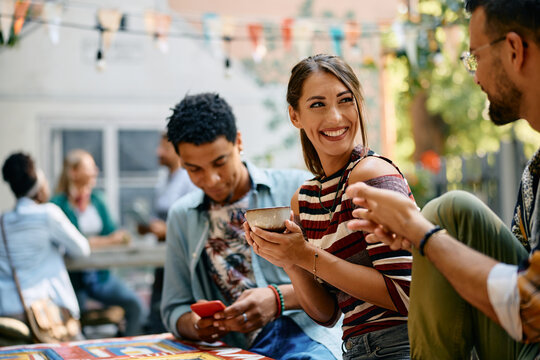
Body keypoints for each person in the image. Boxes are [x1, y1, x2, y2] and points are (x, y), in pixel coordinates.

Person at [345, 0, 540, 359]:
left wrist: (422, 233)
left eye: (475, 57)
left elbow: (530, 311)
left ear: (514, 50)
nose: (475, 75)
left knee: (442, 216)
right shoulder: (535, 171)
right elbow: (511, 275)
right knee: (453, 212)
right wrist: (418, 240)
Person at [244, 54, 413, 360]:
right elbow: (327, 313)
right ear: (295, 116)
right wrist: (289, 260)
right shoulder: (304, 199)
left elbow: (407, 294)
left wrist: (305, 255)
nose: (336, 117)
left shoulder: (371, 175)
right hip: (354, 350)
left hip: (404, 345)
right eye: (318, 104)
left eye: (345, 100)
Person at [161, 92, 342, 359]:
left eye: (220, 162)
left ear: (239, 141)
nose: (211, 179)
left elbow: (341, 281)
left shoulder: (298, 189)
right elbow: (173, 309)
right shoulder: (182, 215)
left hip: (306, 335)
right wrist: (196, 325)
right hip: (233, 347)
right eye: (194, 169)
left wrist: (278, 299)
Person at [50, 149, 145, 336]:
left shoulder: (98, 200)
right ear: (73, 172)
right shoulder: (57, 204)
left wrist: (105, 240)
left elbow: (113, 233)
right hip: (72, 280)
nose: (95, 171)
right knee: (72, 324)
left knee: (135, 306)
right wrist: (107, 241)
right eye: (90, 167)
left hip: (101, 276)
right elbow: (70, 244)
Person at [0, 152, 90, 342]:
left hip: (9, 313)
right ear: (39, 183)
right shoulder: (48, 214)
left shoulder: (3, 222)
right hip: (46, 312)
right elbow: (82, 249)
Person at [138, 133, 197, 333]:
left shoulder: (188, 179)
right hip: (161, 255)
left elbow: (191, 221)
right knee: (159, 303)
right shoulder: (164, 180)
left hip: (180, 252)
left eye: (164, 147)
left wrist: (167, 229)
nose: (158, 152)